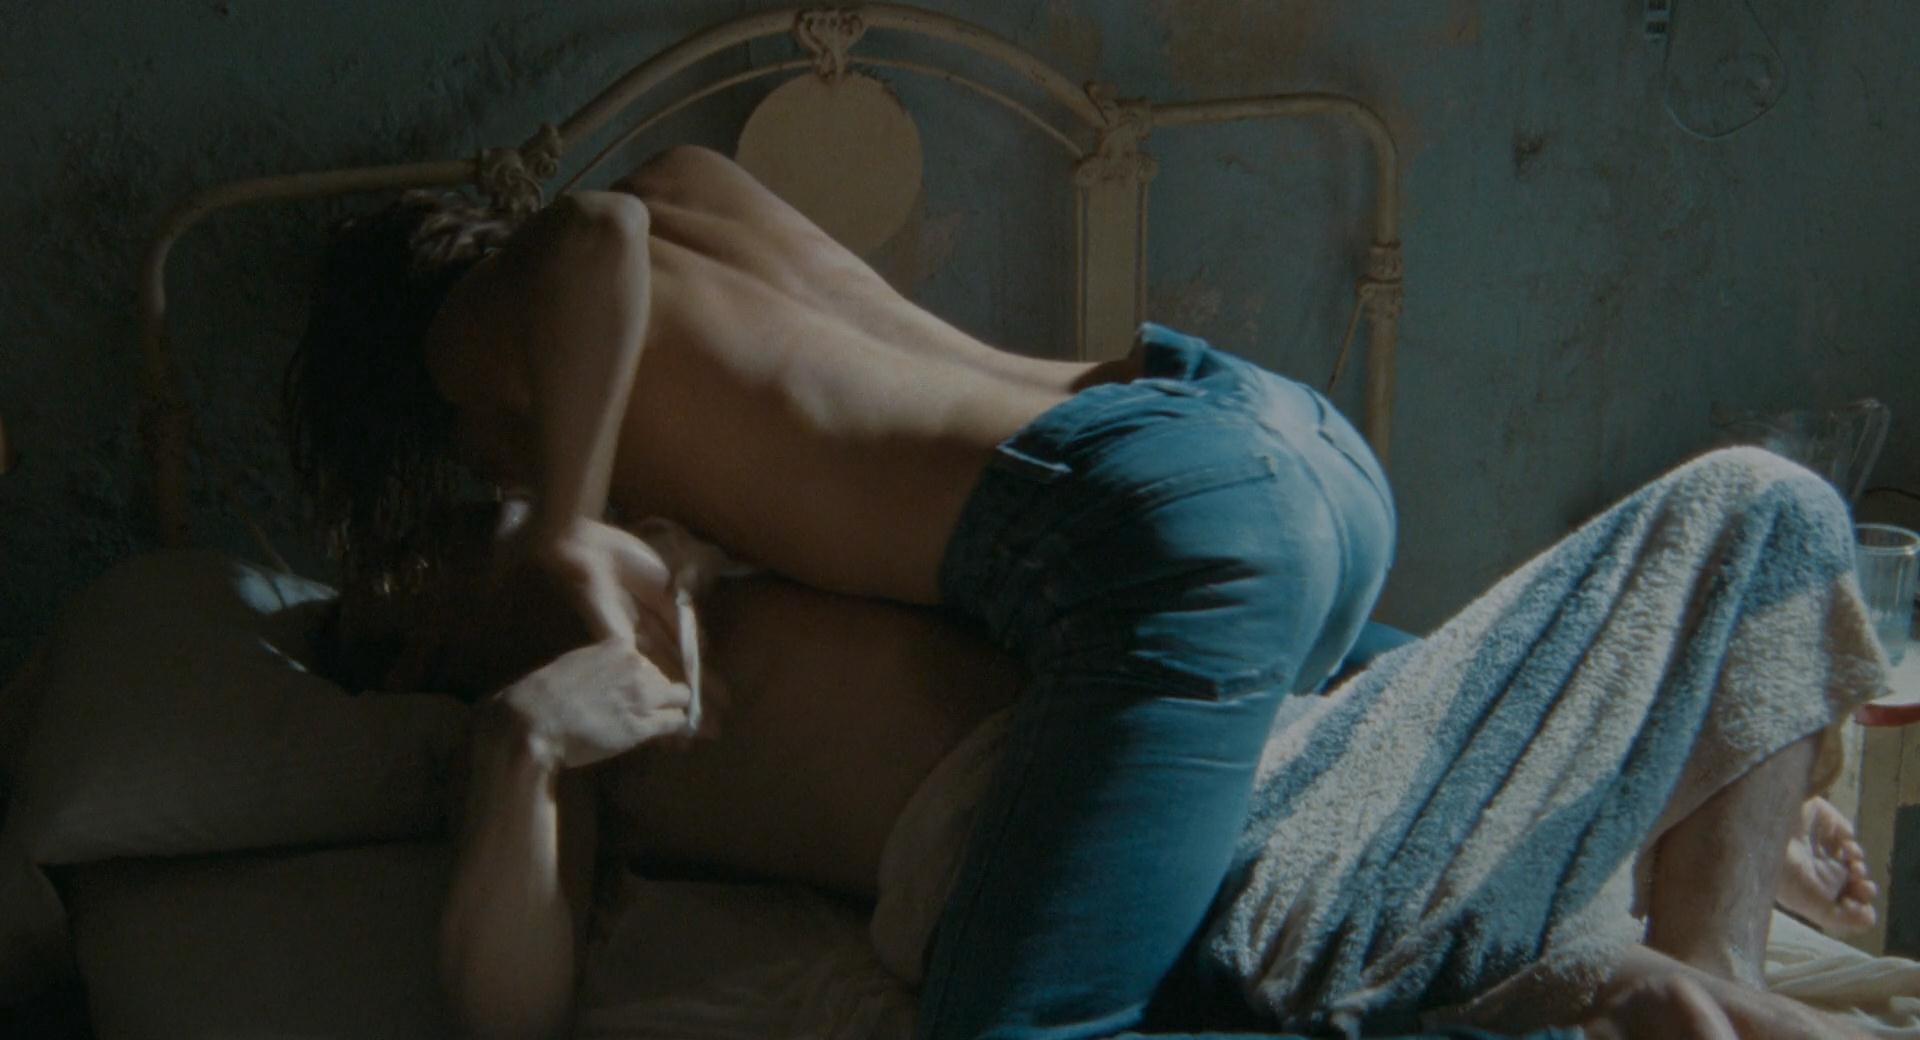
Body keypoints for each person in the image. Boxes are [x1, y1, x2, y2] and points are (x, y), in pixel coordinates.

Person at [286, 145, 1874, 1039]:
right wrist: (523, 746)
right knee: (1765, 504)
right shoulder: (623, 618)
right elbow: (508, 1009)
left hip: (1176, 617)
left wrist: (563, 524)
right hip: (1265, 462)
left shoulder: (570, 484)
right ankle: (1680, 954)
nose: (418, 582)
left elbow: (589, 242)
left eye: (412, 559)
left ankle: (1604, 958)